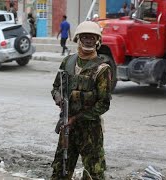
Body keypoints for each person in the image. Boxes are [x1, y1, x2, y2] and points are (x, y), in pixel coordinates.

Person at [51, 21, 112, 180]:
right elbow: (56, 86)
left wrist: (76, 118)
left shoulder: (102, 68)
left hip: (90, 130)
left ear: (98, 41)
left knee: (94, 173)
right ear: (78, 39)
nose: (88, 40)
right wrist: (59, 99)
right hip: (68, 128)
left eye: (92, 37)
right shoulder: (68, 62)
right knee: (60, 169)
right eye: (84, 37)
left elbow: (103, 104)